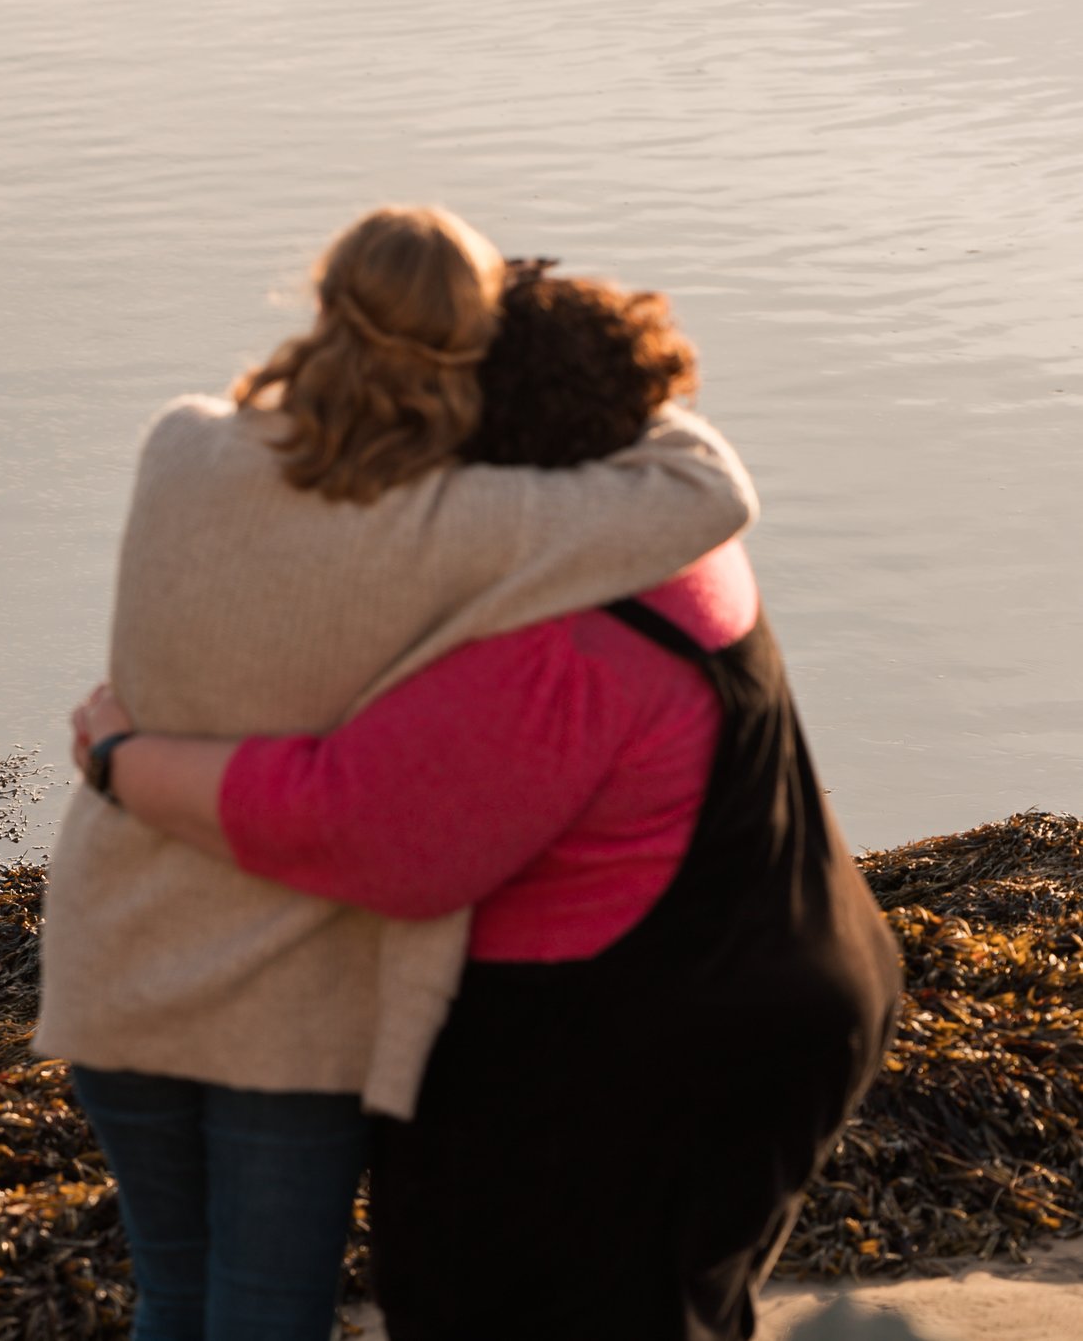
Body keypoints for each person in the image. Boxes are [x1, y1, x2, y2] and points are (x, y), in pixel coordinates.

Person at [71, 267, 901, 1340]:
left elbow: (360, 826)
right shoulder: (660, 530)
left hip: (631, 1052)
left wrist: (126, 762)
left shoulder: (550, 636)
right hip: (796, 983)